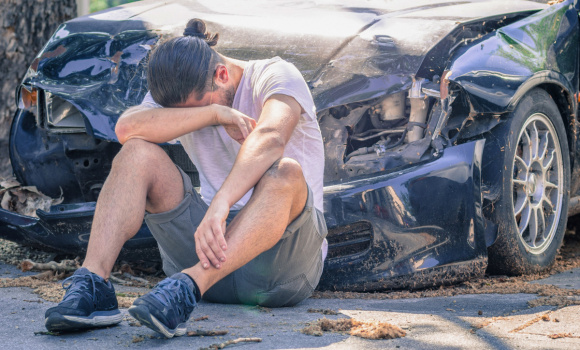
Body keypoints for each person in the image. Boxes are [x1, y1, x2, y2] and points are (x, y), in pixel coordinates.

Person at [44, 18, 327, 338]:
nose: (194, 118)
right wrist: (212, 113)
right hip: (205, 251)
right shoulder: (181, 90)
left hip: (280, 271)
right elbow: (126, 129)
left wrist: (223, 201)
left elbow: (271, 136)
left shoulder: (276, 75)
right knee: (137, 151)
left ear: (222, 75)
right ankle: (94, 283)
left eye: (200, 107)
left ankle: (190, 285)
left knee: (286, 171)